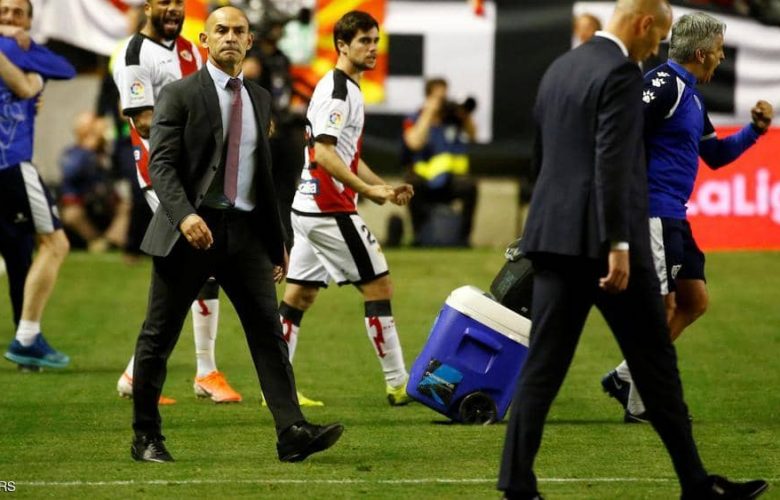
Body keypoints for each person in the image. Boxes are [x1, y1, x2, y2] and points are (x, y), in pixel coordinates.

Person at [497, 1, 768, 499]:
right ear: (644, 25)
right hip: (611, 240)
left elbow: (542, 153)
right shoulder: (625, 74)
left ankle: (517, 486)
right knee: (655, 362)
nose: (656, 50)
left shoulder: (562, 68)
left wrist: (543, 221)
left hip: (555, 236)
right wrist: (619, 242)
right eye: (657, 38)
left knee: (544, 366)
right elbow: (613, 158)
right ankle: (696, 486)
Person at [129, 5, 343, 463]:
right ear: (204, 41)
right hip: (189, 232)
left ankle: (291, 432)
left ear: (249, 42)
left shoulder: (260, 98)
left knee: (269, 334)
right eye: (220, 30)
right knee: (158, 336)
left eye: (238, 31)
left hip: (245, 234)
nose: (230, 37)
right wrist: (184, 216)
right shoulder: (180, 93)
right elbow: (160, 165)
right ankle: (145, 436)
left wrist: (277, 241)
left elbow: (261, 176)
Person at [601, 11, 773, 422]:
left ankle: (626, 376)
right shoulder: (663, 85)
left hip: (674, 215)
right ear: (701, 53)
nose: (721, 58)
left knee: (694, 300)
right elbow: (621, 132)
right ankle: (642, 404)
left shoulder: (691, 96)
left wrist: (754, 131)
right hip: (652, 213)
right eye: (719, 51)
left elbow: (714, 155)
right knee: (661, 307)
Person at [279, 10, 414, 407]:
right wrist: (366, 191)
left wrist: (380, 185)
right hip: (329, 210)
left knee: (298, 298)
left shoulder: (346, 87)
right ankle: (398, 383)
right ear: (341, 45)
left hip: (309, 208)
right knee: (379, 286)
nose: (372, 49)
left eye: (375, 41)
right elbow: (324, 153)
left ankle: (276, 389)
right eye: (364, 42)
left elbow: (345, 152)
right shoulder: (338, 91)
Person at [112, 0, 241, 404]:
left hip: (196, 175)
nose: (172, 8)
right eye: (164, 1)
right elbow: (143, 120)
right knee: (200, 264)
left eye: (178, 2)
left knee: (193, 270)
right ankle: (202, 372)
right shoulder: (135, 53)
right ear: (147, 6)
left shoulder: (188, 48)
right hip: (162, 176)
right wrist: (204, 130)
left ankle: (142, 374)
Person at [0, 0, 75, 370]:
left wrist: (33, 78)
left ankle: (26, 343)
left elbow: (63, 68)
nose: (10, 19)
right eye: (3, 11)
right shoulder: (11, 45)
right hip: (10, 162)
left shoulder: (20, 47)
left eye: (18, 13)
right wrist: (32, 80)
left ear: (30, 20)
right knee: (55, 243)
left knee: (19, 253)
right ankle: (27, 338)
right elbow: (51, 75)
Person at [402, 77, 477, 247]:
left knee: (470, 187)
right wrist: (428, 113)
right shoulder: (415, 118)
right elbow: (414, 143)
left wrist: (464, 114)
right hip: (424, 179)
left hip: (449, 180)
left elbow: (473, 135)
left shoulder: (452, 119)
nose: (442, 101)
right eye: (438, 97)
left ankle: (463, 239)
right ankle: (419, 236)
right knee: (411, 185)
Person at [59, 111, 130, 253]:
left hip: (104, 201)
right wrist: (86, 150)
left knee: (127, 206)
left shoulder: (106, 152)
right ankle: (96, 241)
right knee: (71, 215)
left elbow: (120, 172)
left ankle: (110, 240)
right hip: (82, 204)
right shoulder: (72, 153)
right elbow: (71, 173)